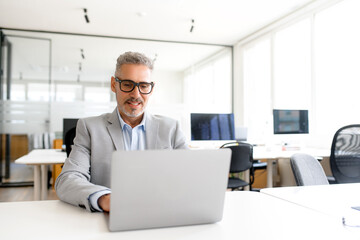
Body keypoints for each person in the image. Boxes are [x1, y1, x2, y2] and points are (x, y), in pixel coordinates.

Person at [55, 51, 188, 212]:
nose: (136, 94)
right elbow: (68, 179)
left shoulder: (171, 129)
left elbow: (189, 176)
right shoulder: (89, 128)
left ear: (151, 88)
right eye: (127, 84)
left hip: (161, 213)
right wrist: (104, 199)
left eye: (144, 86)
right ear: (114, 84)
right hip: (109, 219)